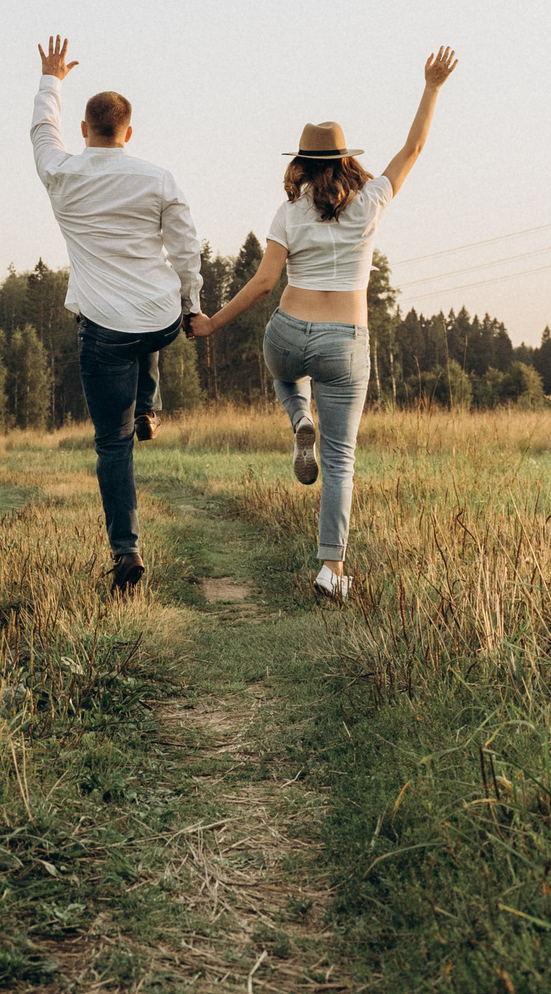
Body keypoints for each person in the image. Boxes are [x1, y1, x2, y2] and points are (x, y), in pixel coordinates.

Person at [189, 47, 460, 604]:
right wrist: (432, 86)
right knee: (340, 462)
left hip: (289, 331)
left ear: (302, 164)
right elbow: (413, 148)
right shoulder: (372, 201)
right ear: (346, 160)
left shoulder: (288, 212)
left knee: (283, 371)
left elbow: (264, 284)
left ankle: (296, 419)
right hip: (345, 342)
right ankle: (331, 572)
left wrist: (212, 323)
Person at [31, 36, 206, 592]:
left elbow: (41, 133)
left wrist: (51, 79)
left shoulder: (62, 173)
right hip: (157, 320)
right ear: (128, 133)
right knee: (149, 328)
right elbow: (185, 250)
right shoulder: (157, 178)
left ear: (86, 131)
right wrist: (192, 305)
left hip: (103, 330)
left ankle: (126, 552)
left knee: (112, 445)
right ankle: (149, 405)